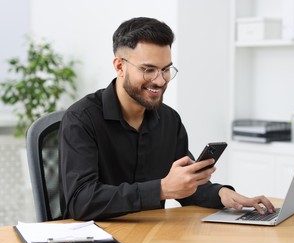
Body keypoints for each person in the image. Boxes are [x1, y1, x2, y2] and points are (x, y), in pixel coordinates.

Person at [59, 17, 275, 220]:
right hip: (96, 241)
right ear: (119, 66)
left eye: (165, 70)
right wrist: (161, 189)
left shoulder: (169, 120)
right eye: (148, 70)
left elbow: (186, 187)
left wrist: (223, 194)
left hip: (154, 238)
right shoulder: (81, 119)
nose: (160, 81)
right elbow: (81, 201)